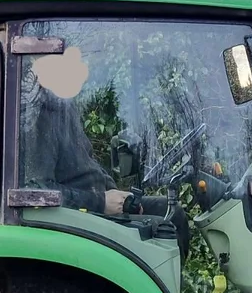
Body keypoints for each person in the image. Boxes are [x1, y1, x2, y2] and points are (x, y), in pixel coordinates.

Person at [20, 46, 189, 252]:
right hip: (79, 217)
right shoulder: (39, 117)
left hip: (92, 205)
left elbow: (87, 166)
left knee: (172, 211)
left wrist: (116, 195)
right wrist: (101, 202)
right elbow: (35, 191)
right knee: (166, 227)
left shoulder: (64, 108)